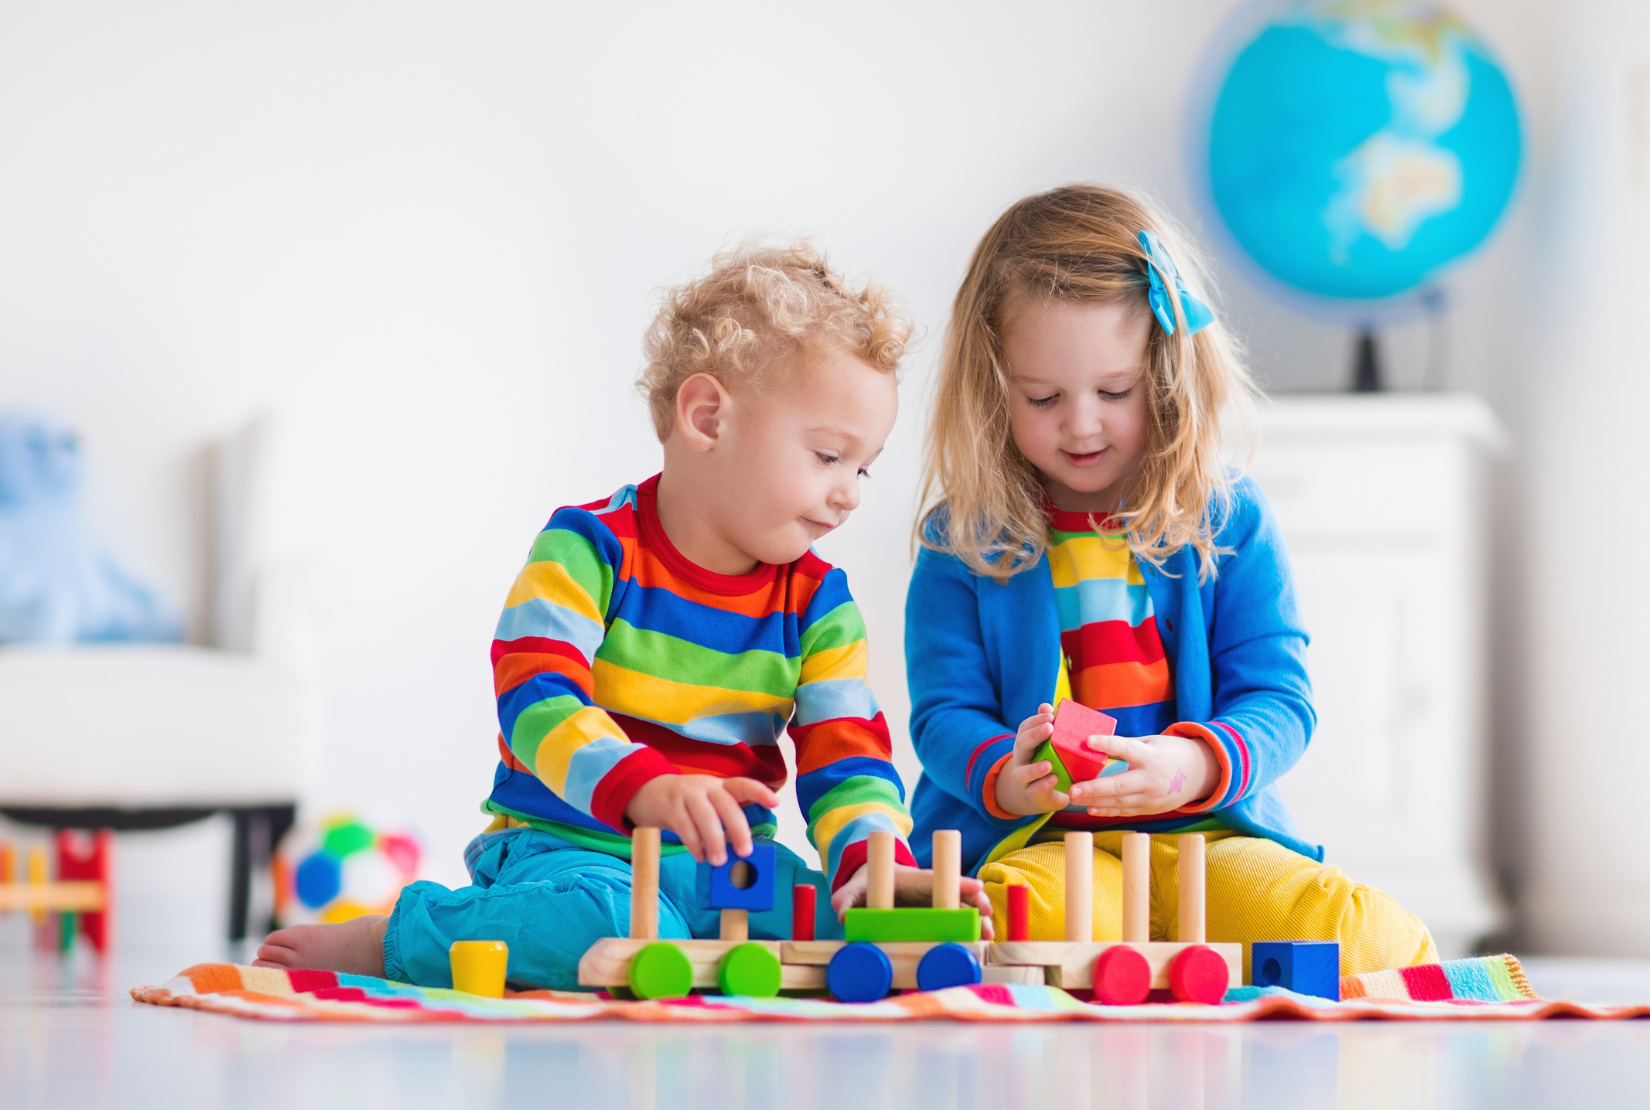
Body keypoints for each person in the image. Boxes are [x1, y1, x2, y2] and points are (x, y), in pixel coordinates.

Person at [256, 242, 991, 988]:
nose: (849, 494)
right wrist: (643, 787)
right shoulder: (591, 548)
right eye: (828, 456)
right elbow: (534, 695)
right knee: (609, 924)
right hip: (574, 846)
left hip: (725, 871)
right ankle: (407, 937)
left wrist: (870, 861)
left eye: (862, 467)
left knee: (861, 919)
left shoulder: (819, 604)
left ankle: (737, 937)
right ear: (707, 418)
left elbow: (848, 754)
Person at [905, 184, 1435, 976]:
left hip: (1206, 838)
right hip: (1044, 841)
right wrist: (1006, 780)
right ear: (993, 390)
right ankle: (1121, 955)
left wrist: (1195, 766)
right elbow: (944, 712)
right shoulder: (962, 539)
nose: (1082, 424)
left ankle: (1150, 954)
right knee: (1009, 924)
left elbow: (1279, 699)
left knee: (1364, 941)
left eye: (1114, 392)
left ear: (1166, 374)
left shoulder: (1228, 519)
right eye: (1043, 397)